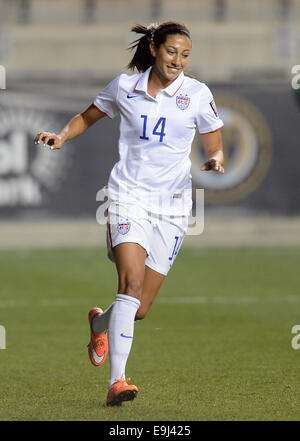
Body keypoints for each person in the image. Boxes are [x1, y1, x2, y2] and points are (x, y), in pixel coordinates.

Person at [34, 21, 224, 407]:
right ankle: (117, 382)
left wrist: (216, 157)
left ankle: (99, 323)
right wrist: (62, 136)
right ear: (154, 48)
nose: (178, 61)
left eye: (185, 55)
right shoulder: (124, 87)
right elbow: (88, 115)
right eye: (172, 52)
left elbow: (213, 135)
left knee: (139, 309)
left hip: (172, 207)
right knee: (131, 285)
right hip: (126, 197)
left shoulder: (197, 93)